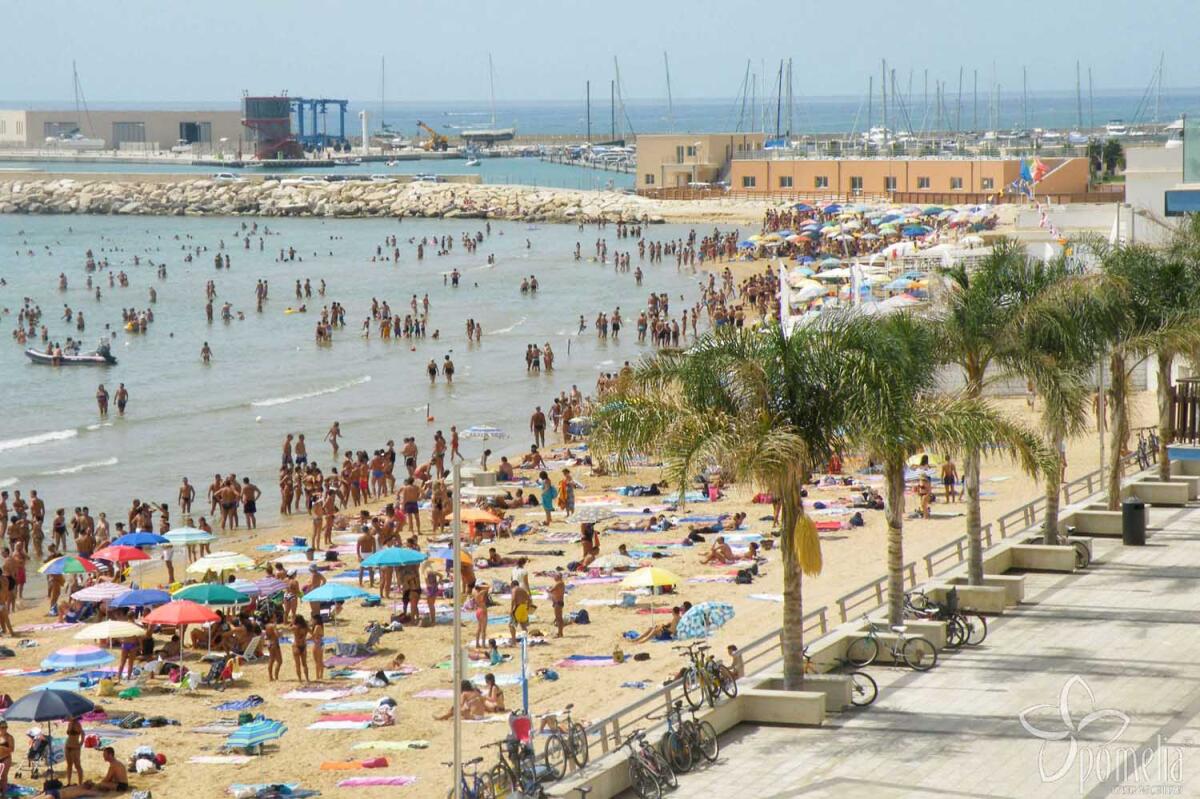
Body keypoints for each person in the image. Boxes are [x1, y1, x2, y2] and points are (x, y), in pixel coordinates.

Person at [508, 579, 531, 644]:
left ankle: (513, 641)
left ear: (513, 585)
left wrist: (511, 609)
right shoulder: (523, 590)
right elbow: (529, 599)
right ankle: (525, 640)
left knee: (511, 625)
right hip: (524, 607)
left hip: (518, 607)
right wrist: (528, 607)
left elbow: (513, 599)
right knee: (523, 625)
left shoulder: (514, 589)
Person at [64, 714, 84, 785]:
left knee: (77, 765)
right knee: (69, 765)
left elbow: (83, 733)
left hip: (75, 748)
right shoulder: (69, 724)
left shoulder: (78, 724)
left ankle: (80, 783)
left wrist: (81, 744)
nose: (68, 717)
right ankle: (69, 782)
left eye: (69, 716)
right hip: (67, 746)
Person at [291, 615, 311, 682]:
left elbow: (287, 629)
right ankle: (307, 679)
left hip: (296, 646)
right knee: (304, 664)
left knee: (298, 665)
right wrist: (307, 638)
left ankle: (300, 680)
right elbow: (313, 633)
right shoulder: (306, 627)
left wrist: (292, 623)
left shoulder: (294, 627)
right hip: (303, 646)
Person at [548, 569, 566, 638]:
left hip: (558, 602)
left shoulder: (559, 583)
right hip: (557, 602)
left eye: (554, 576)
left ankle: (560, 633)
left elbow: (551, 590)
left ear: (558, 577)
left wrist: (548, 589)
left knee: (559, 618)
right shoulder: (560, 583)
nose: (554, 578)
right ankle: (560, 633)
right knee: (558, 618)